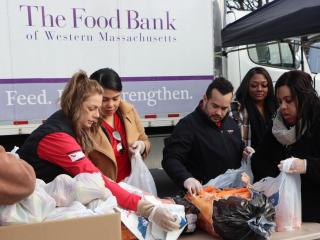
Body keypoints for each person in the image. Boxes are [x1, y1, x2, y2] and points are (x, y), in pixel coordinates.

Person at [18, 70, 179, 231]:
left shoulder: (69, 122)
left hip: (42, 202)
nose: (97, 115)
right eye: (92, 108)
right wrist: (146, 208)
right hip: (27, 208)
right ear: (75, 104)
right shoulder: (58, 137)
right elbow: (96, 179)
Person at [251, 70, 320, 222]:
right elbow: (259, 161)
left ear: (304, 98)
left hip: (315, 217)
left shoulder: (316, 121)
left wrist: (306, 165)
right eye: (280, 101)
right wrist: (274, 178)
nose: (283, 107)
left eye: (289, 100)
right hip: (284, 215)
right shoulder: (277, 126)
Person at [162, 77, 244, 194]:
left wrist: (245, 152)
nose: (219, 113)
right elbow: (170, 159)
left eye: (224, 108)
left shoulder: (231, 123)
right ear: (205, 99)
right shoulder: (188, 125)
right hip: (202, 196)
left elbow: (236, 152)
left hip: (232, 194)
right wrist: (186, 178)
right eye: (215, 106)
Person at [88, 68, 150, 182]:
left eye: (116, 98)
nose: (111, 105)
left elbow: (145, 140)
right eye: (104, 100)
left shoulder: (129, 111)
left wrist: (141, 146)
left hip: (132, 185)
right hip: (105, 190)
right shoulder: (87, 122)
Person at [231, 67, 278, 149]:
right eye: (254, 85)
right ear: (246, 86)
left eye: (264, 85)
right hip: (247, 159)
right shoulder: (237, 108)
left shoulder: (276, 106)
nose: (259, 89)